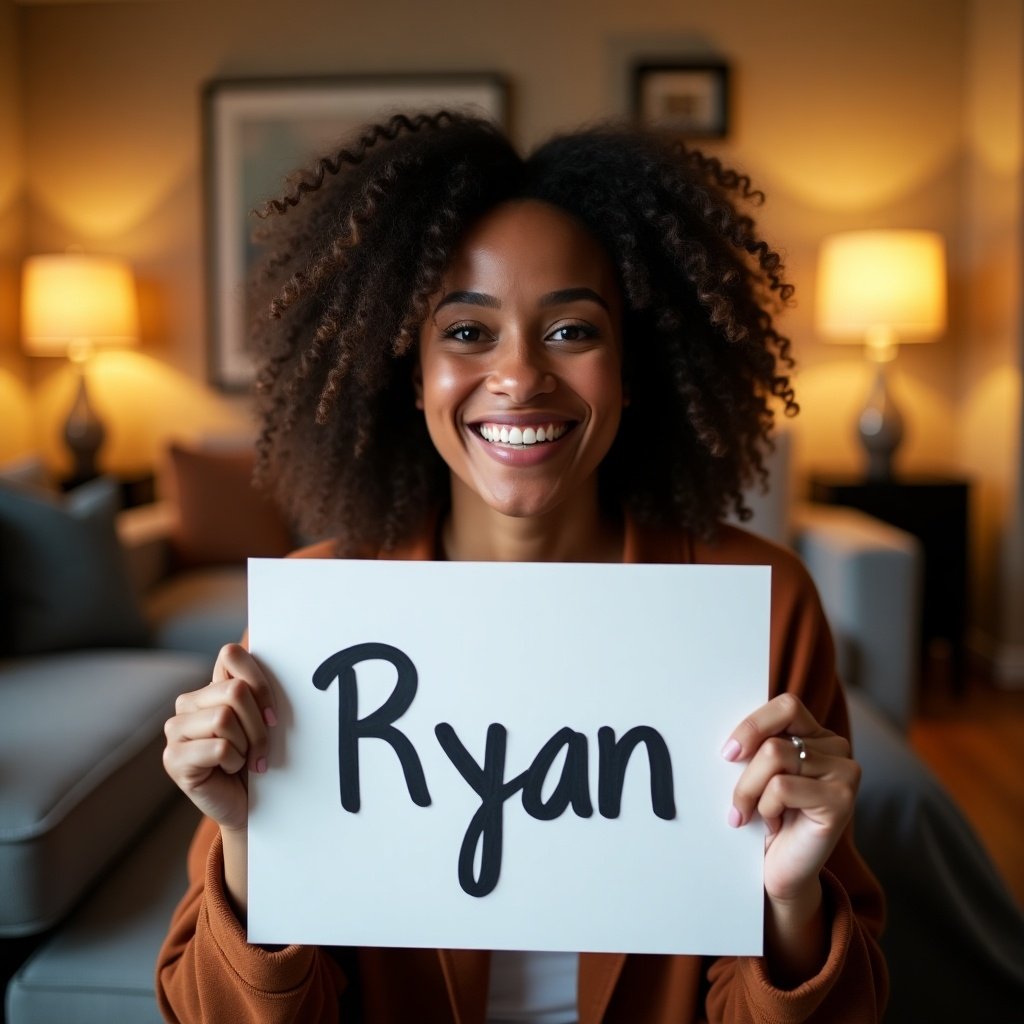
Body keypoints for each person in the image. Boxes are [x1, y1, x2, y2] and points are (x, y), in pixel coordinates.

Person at [157, 111, 887, 1023]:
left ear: (632, 365)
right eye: (466, 332)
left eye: (572, 330)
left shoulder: (767, 606)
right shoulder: (315, 620)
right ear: (410, 370)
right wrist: (247, 838)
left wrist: (789, 899)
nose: (519, 376)